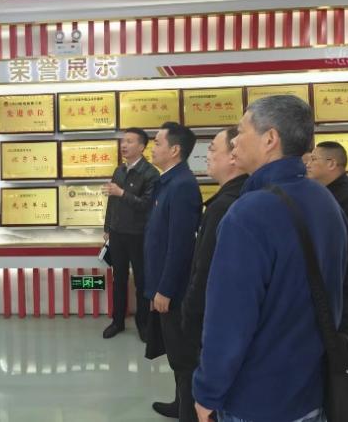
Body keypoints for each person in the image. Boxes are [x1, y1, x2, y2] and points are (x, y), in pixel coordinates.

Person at [193, 95, 348, 422]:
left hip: (256, 399)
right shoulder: (326, 201)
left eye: (241, 131)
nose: (234, 140)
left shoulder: (248, 213)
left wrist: (207, 392)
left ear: (270, 139)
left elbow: (229, 319)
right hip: (313, 389)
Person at [153, 128, 248, 419]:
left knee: (187, 365)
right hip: (200, 304)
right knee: (181, 364)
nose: (207, 156)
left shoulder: (220, 203)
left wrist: (183, 306)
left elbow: (192, 256)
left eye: (213, 149)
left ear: (233, 156)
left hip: (201, 307)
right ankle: (181, 404)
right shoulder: (176, 184)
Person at [144, 122, 202, 421]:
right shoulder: (168, 182)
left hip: (174, 291)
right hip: (162, 285)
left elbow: (180, 245)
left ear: (175, 149)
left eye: (157, 142)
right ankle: (180, 403)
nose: (152, 148)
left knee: (183, 356)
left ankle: (188, 413)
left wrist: (165, 289)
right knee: (175, 352)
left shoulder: (182, 186)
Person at [306, 141, 348, 346]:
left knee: (343, 349)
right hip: (321, 287)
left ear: (331, 163)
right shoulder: (323, 195)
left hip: (341, 290)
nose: (308, 163)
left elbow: (340, 249)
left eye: (314, 159)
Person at [102, 127, 160, 340]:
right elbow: (112, 201)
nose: (124, 145)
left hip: (139, 235)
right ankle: (117, 322)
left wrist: (122, 193)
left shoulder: (151, 173)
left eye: (129, 141)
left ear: (142, 147)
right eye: (123, 141)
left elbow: (147, 205)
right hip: (117, 234)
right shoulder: (119, 170)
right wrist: (107, 227)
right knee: (119, 279)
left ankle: (143, 325)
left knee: (142, 280)